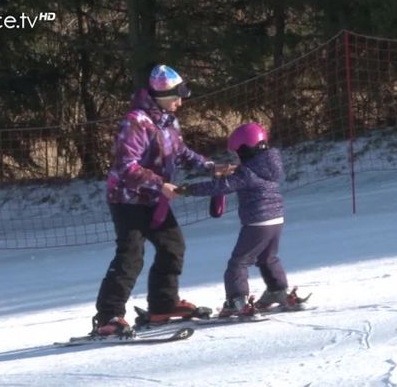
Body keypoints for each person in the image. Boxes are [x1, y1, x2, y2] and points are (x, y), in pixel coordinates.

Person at [93, 64, 228, 336]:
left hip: (155, 199)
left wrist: (210, 166)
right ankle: (108, 316)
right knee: (131, 256)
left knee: (173, 247)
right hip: (127, 200)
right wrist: (159, 184)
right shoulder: (136, 121)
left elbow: (181, 153)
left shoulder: (168, 120)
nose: (180, 102)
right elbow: (126, 167)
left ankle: (163, 305)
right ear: (159, 95)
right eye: (176, 96)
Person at [173, 123, 291, 317]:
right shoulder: (269, 164)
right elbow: (248, 175)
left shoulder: (247, 173)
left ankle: (237, 300)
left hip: (257, 222)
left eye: (238, 152)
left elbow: (221, 187)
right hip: (276, 220)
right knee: (267, 257)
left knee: (238, 262)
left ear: (245, 149)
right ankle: (277, 290)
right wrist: (236, 170)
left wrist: (186, 189)